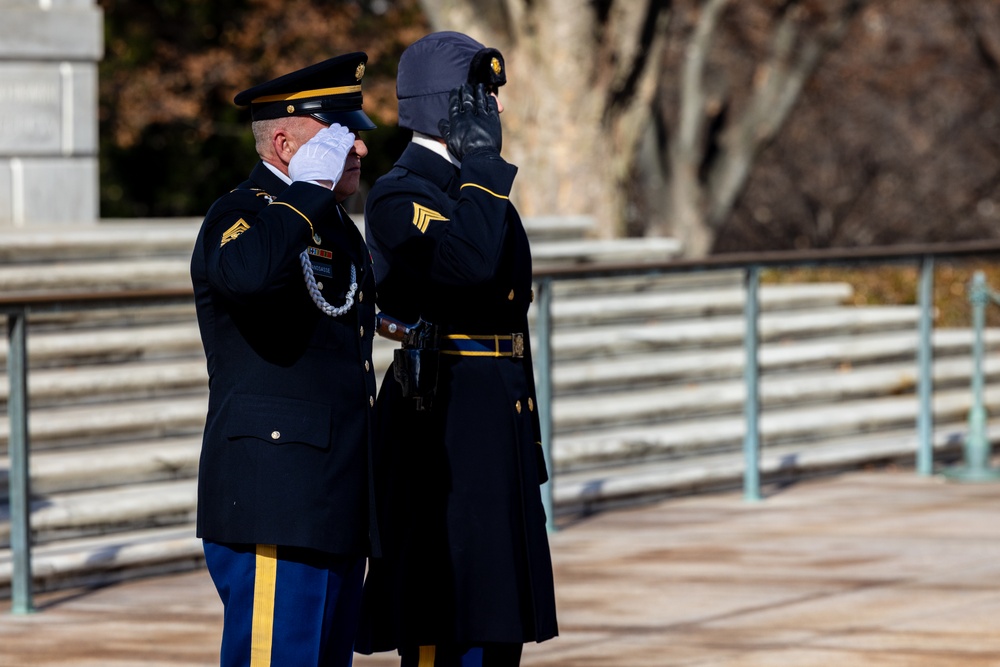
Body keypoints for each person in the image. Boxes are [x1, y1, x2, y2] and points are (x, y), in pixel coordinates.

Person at [356, 31, 559, 667]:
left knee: (496, 623)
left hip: (492, 414)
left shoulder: (472, 186)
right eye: (481, 95)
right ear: (447, 106)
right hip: (440, 423)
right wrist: (484, 170)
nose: (496, 109)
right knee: (446, 617)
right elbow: (467, 265)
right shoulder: (401, 193)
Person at [189, 52, 380, 667]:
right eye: (341, 140)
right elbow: (247, 277)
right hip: (277, 496)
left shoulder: (330, 224)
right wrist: (304, 191)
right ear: (283, 141)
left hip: (334, 493)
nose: (359, 152)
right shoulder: (240, 213)